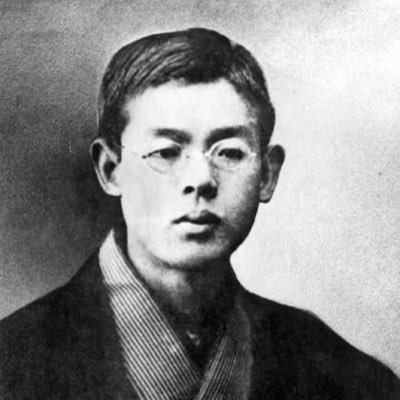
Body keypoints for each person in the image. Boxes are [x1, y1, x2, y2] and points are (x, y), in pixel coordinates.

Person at [0, 27, 399, 400]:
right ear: (111, 168)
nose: (200, 179)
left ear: (267, 174)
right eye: (165, 152)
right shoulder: (13, 362)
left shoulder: (345, 377)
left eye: (229, 152)